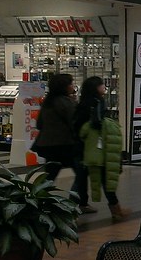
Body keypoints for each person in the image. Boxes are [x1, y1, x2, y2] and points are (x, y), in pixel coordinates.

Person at [33, 74, 89, 207]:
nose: (72, 86)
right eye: (70, 84)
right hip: (66, 145)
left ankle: (38, 199)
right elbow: (74, 123)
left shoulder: (48, 102)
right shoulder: (66, 103)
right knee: (81, 173)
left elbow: (39, 124)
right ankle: (77, 202)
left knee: (50, 175)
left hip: (48, 145)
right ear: (63, 87)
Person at [77, 76, 128, 220]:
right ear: (96, 88)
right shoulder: (96, 103)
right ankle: (115, 210)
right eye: (101, 85)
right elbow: (95, 124)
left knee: (85, 179)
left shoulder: (84, 104)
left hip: (89, 148)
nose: (104, 86)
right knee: (103, 178)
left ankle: (114, 208)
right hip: (96, 148)